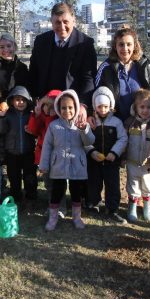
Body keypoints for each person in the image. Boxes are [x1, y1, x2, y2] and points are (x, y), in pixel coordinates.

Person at [39, 89, 95, 231]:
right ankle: (53, 217)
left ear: (76, 108)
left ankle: (77, 217)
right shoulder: (54, 126)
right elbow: (47, 146)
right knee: (57, 191)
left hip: (77, 165)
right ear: (58, 108)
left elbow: (89, 142)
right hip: (58, 165)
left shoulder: (81, 125)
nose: (67, 111)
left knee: (76, 192)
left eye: (70, 107)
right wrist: (44, 164)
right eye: (64, 108)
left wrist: (85, 130)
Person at [28, 2, 97, 111]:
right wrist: (35, 99)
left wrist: (83, 105)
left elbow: (88, 78)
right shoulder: (41, 41)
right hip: (45, 104)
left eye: (65, 22)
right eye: (57, 22)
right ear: (51, 22)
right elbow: (33, 73)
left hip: (71, 107)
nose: (62, 27)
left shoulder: (85, 44)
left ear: (73, 20)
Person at [95, 26, 150, 122]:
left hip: (142, 123)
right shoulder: (106, 67)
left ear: (134, 46)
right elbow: (96, 92)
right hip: (116, 123)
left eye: (129, 44)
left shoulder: (144, 65)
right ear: (115, 46)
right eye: (121, 44)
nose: (125, 48)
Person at [85, 86, 128, 224]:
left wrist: (114, 153)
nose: (102, 110)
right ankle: (93, 204)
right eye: (99, 107)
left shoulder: (116, 122)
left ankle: (112, 209)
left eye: (105, 106)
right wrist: (92, 152)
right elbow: (84, 139)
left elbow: (123, 139)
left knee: (113, 185)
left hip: (111, 162)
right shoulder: (91, 123)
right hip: (94, 161)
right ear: (95, 106)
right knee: (93, 183)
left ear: (110, 106)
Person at [124, 89, 150, 223]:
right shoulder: (129, 123)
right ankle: (132, 207)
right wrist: (122, 158)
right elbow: (124, 141)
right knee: (133, 185)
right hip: (132, 161)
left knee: (147, 185)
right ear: (136, 107)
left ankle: (147, 207)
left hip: (148, 163)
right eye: (142, 107)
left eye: (149, 107)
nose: (145, 110)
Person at [0, 86, 37, 205]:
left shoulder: (31, 114)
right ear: (12, 101)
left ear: (28, 101)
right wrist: (2, 117)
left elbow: (37, 132)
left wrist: (32, 130)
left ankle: (31, 196)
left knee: (30, 176)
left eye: (23, 100)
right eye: (17, 100)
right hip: (11, 152)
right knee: (14, 177)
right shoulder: (8, 114)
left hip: (28, 151)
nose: (20, 103)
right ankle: (16, 197)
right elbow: (1, 130)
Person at [26, 90, 63, 216]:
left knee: (59, 182)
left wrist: (51, 116)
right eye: (45, 105)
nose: (47, 108)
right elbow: (33, 130)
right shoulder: (41, 116)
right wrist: (36, 115)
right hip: (44, 155)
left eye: (51, 106)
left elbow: (52, 130)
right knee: (48, 183)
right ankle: (52, 205)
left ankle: (61, 207)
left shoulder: (59, 119)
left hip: (57, 156)